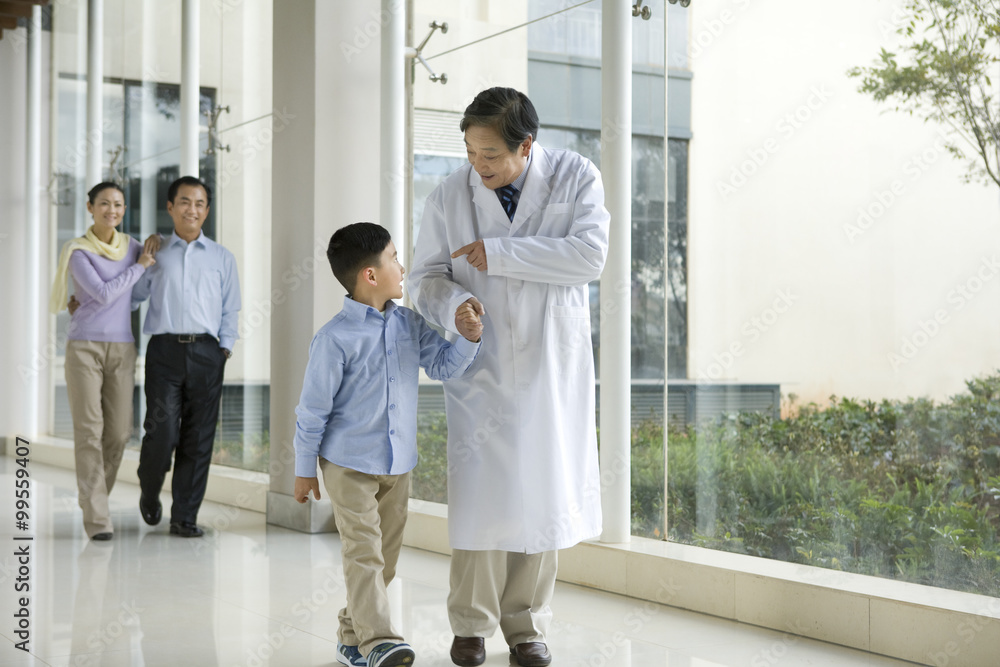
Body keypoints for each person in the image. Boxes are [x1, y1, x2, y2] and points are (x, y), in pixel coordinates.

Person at [408, 87, 610, 667]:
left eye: (490, 155)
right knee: (481, 496)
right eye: (471, 153)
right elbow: (423, 278)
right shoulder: (451, 194)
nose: (479, 166)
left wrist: (500, 254)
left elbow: (590, 257)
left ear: (527, 145)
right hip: (484, 362)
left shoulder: (576, 176)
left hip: (551, 361)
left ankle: (526, 625)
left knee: (543, 490)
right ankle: (470, 625)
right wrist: (453, 308)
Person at [293, 222, 483, 667]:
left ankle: (350, 636)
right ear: (371, 276)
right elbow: (312, 412)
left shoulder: (408, 324)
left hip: (398, 464)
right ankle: (381, 640)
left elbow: (441, 365)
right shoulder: (333, 339)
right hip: (347, 463)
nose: (403, 266)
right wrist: (305, 469)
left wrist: (468, 338)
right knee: (363, 553)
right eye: (395, 258)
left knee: (385, 561)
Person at [130, 175, 241, 538]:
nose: (191, 209)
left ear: (206, 210)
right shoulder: (156, 250)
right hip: (163, 351)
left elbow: (231, 308)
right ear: (170, 207)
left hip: (208, 353)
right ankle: (149, 487)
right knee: (160, 431)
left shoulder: (223, 258)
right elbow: (134, 298)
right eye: (184, 202)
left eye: (198, 203)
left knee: (198, 436)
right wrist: (144, 261)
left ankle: (184, 517)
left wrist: (224, 348)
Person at [50, 182, 158, 541]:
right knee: (89, 430)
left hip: (122, 348)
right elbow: (105, 293)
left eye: (118, 205)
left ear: (123, 210)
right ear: (90, 207)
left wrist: (155, 247)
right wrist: (140, 266)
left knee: (119, 432)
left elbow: (155, 268)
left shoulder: (133, 248)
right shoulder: (79, 252)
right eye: (104, 204)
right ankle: (98, 517)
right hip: (83, 347)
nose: (111, 210)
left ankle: (93, 498)